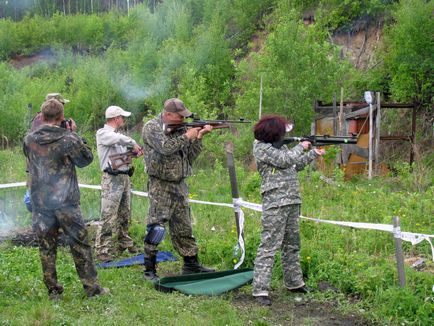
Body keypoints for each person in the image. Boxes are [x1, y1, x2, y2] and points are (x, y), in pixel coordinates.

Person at [23, 98, 108, 300]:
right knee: (79, 245)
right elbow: (85, 160)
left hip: (41, 202)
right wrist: (74, 133)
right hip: (65, 202)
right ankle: (92, 289)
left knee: (46, 247)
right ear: (61, 117)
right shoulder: (68, 139)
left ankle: (53, 291)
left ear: (42, 116)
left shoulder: (29, 139)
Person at [251, 114, 325, 306]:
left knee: (292, 244)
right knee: (269, 246)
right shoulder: (262, 148)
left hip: (291, 200)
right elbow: (285, 160)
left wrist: (312, 153)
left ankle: (294, 282)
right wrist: (302, 146)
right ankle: (260, 290)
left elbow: (294, 164)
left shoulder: (281, 147)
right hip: (276, 202)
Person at [141, 98, 215, 281]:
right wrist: (187, 136)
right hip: (160, 184)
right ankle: (149, 269)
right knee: (156, 226)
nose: (182, 120)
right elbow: (165, 148)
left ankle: (191, 264)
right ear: (167, 114)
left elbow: (190, 156)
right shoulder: (152, 127)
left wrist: (198, 137)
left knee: (184, 225)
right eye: (179, 117)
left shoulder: (181, 130)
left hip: (179, 183)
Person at [95, 106, 143, 262]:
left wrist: (133, 154)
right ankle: (102, 248)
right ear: (116, 118)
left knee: (124, 213)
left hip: (124, 177)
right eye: (122, 117)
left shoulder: (117, 136)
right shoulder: (103, 134)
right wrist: (133, 142)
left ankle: (124, 242)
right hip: (111, 179)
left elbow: (119, 157)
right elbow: (119, 140)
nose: (124, 120)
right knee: (108, 215)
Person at [24, 93, 75, 212]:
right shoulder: (40, 120)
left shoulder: (44, 119)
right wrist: (70, 134)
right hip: (42, 166)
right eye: (61, 105)